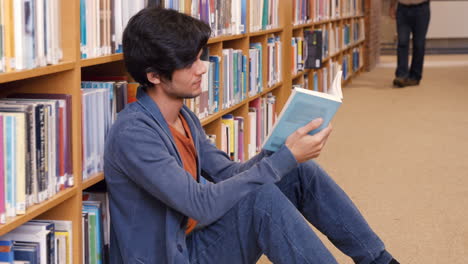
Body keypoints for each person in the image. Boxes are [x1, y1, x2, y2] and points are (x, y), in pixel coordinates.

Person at [104, 7, 399, 264]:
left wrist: (283, 151)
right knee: (261, 198)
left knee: (299, 171)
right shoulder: (133, 134)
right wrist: (281, 160)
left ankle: (378, 260)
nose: (203, 68)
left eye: (199, 58)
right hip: (174, 256)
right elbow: (199, 203)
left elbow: (228, 172)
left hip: (194, 238)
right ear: (154, 75)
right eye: (189, 63)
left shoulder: (182, 116)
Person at [390, 0, 431, 88]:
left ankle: (415, 77)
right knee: (402, 42)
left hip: (421, 8)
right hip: (402, 8)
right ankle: (401, 75)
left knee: (419, 44)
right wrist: (392, 6)